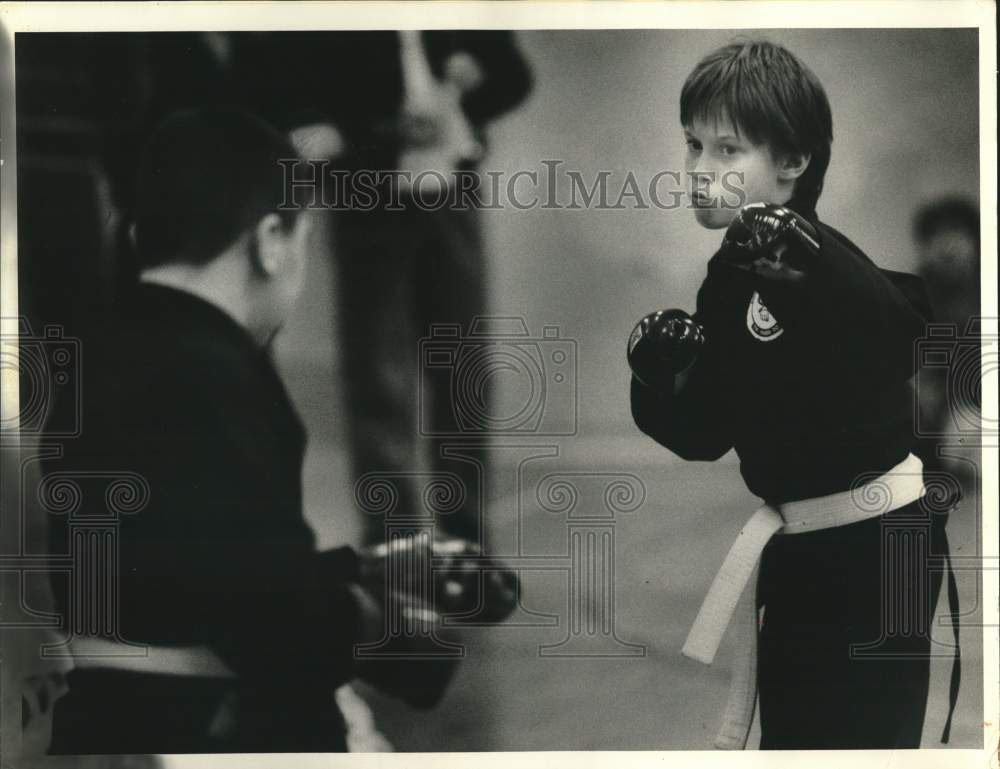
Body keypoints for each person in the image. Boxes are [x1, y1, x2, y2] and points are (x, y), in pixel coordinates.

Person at [41, 108, 515, 754]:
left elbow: (200, 567)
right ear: (270, 240)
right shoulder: (224, 378)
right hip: (197, 727)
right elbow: (267, 620)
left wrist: (359, 564)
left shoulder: (89, 359)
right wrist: (398, 643)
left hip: (93, 718)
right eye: (304, 239)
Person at [627, 40, 960, 750]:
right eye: (693, 146)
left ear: (792, 163)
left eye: (727, 151)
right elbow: (705, 432)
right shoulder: (726, 279)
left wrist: (817, 258)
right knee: (798, 741)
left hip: (885, 544)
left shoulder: (816, 256)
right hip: (806, 546)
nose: (698, 171)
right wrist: (657, 377)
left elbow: (903, 332)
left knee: (867, 743)